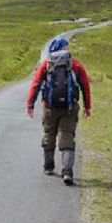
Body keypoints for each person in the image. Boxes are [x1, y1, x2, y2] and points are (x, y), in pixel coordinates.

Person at [26, 37, 91, 185]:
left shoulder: (46, 64)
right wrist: (87, 107)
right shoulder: (75, 65)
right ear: (65, 48)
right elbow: (85, 86)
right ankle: (67, 172)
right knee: (67, 136)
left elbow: (35, 85)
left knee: (49, 134)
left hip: (49, 107)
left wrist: (30, 105)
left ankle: (48, 167)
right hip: (69, 107)